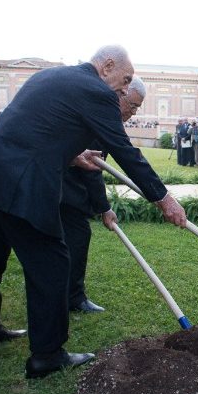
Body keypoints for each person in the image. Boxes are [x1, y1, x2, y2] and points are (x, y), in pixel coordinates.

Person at [0, 45, 187, 379]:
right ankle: (47, 356)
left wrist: (71, 155)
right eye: (124, 80)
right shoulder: (97, 91)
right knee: (52, 263)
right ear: (107, 65)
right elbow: (124, 149)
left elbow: (36, 131)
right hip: (21, 182)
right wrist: (164, 199)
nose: (124, 89)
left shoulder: (51, 75)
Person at [61, 76, 147, 314]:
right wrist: (104, 208)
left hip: (69, 184)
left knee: (71, 239)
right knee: (76, 237)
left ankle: (70, 295)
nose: (133, 112)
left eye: (137, 108)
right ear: (121, 94)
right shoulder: (100, 114)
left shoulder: (102, 113)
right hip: (63, 187)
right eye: (133, 105)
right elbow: (94, 170)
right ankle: (73, 298)